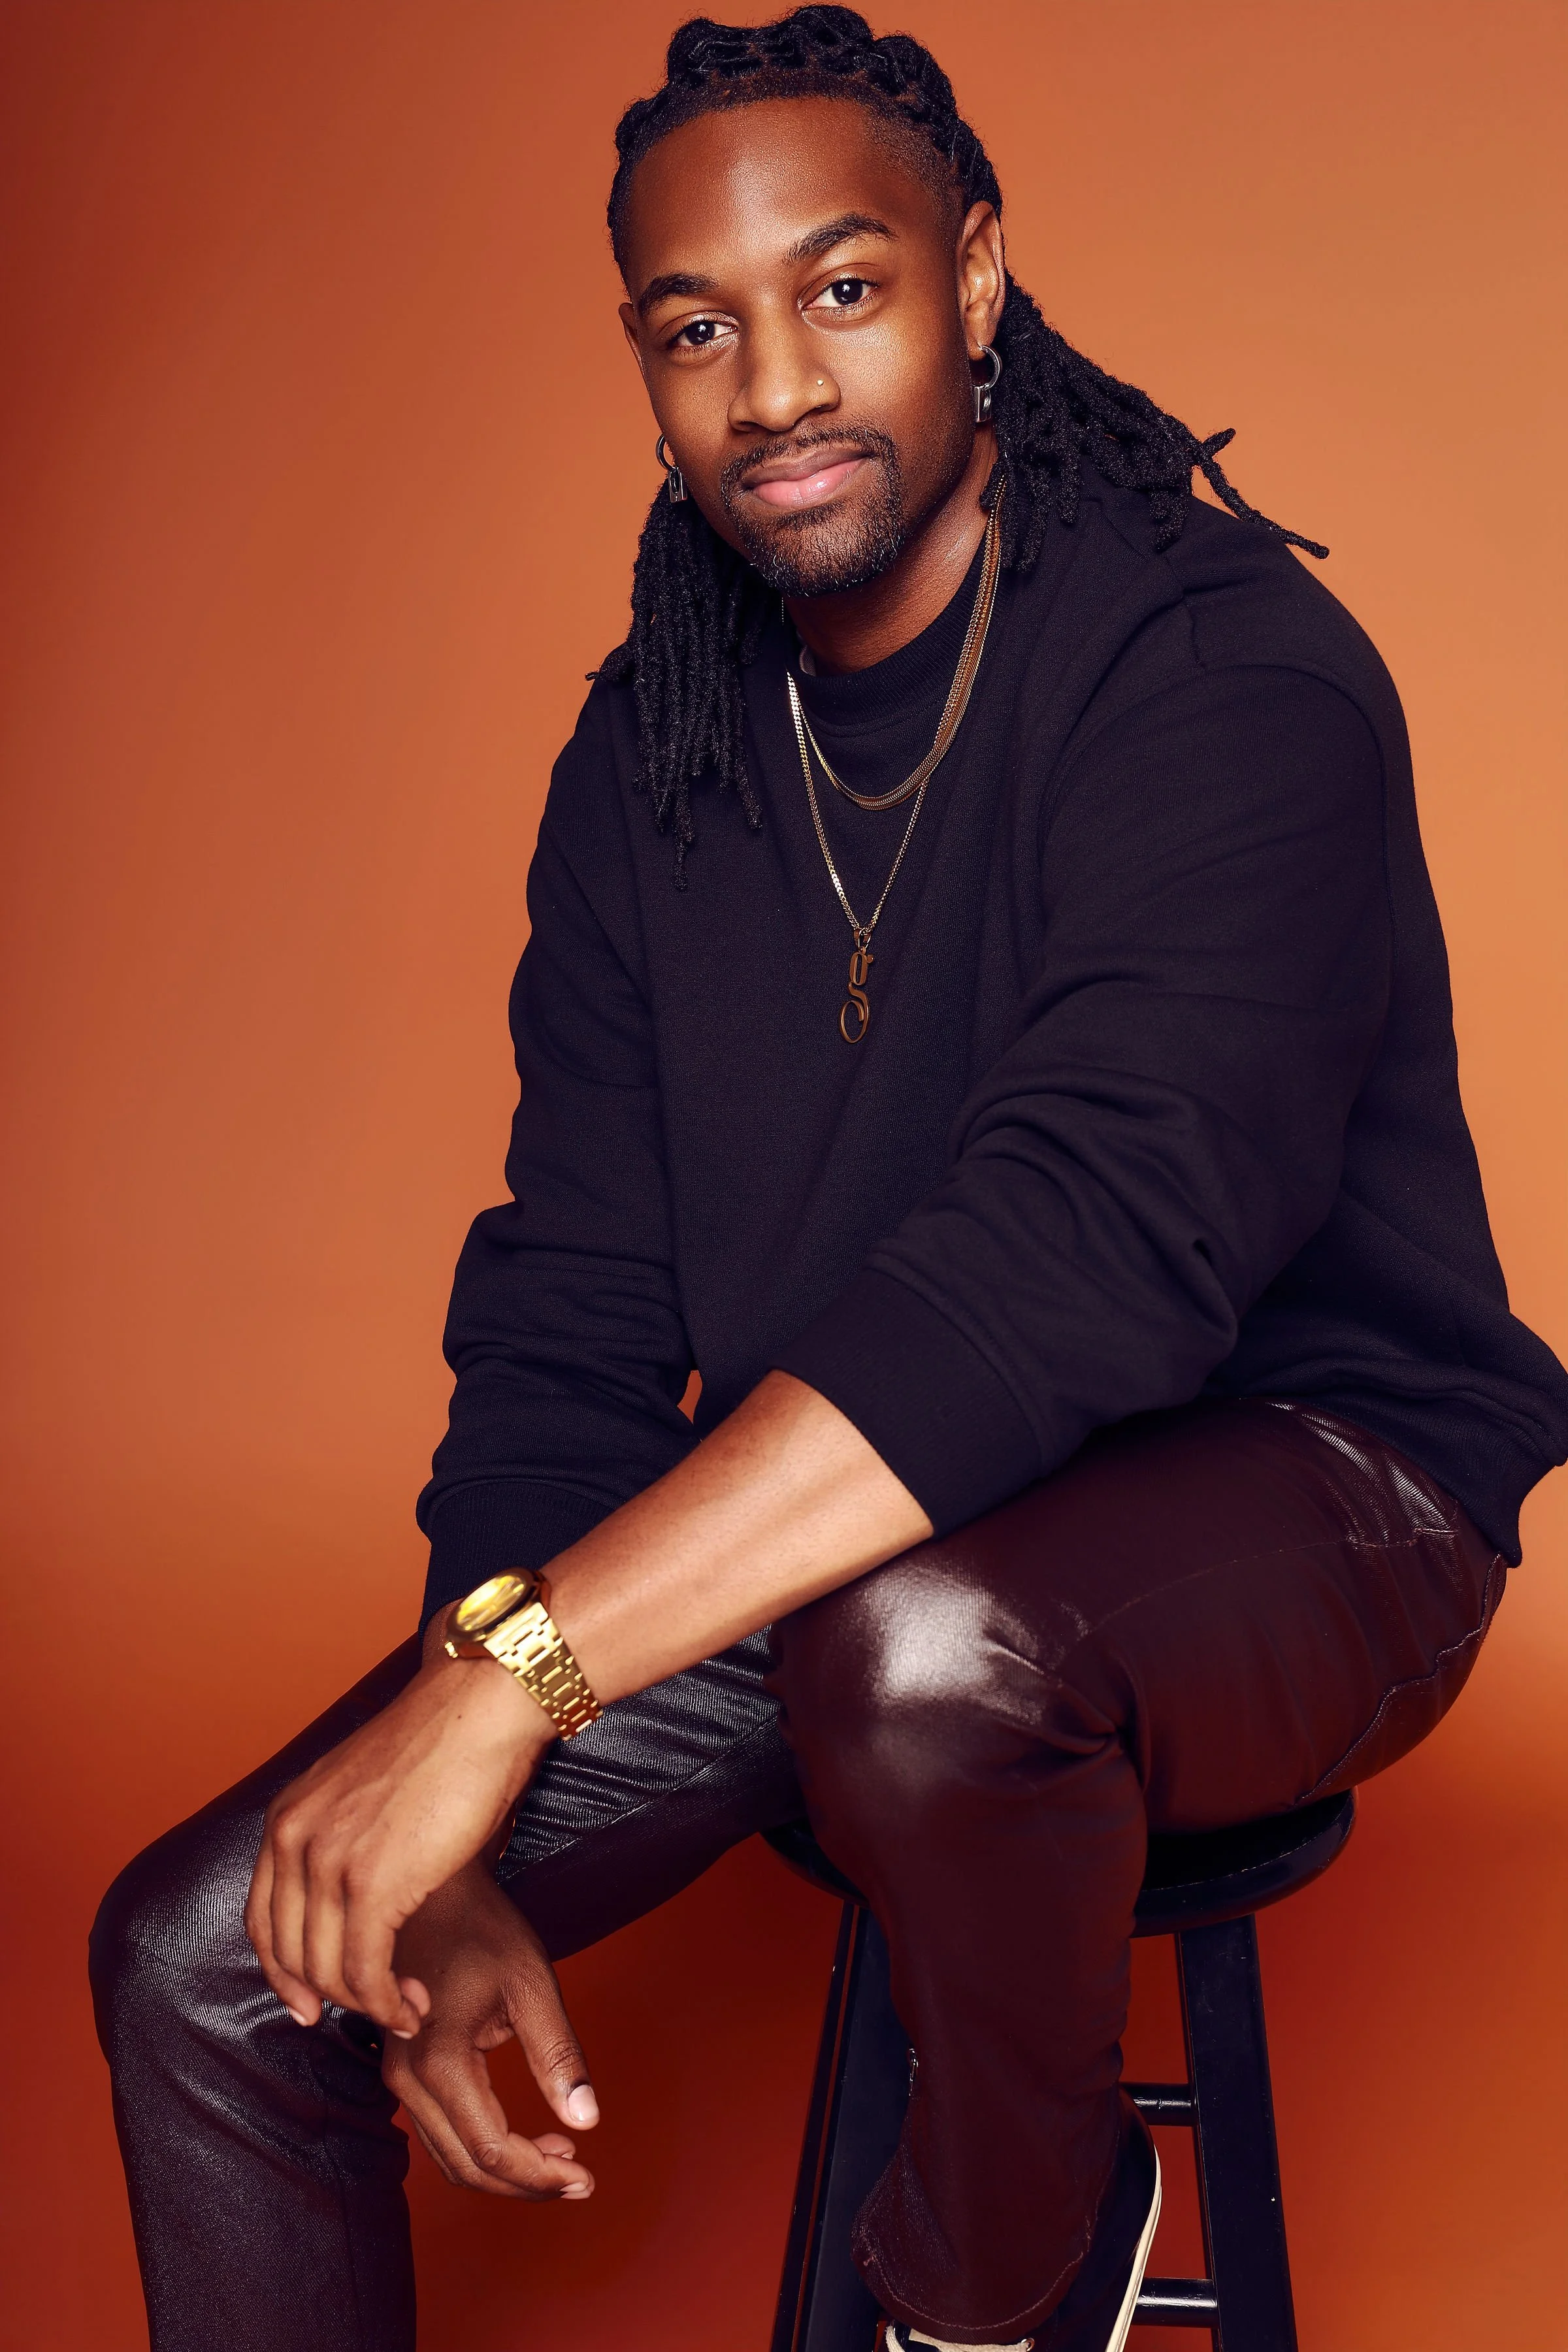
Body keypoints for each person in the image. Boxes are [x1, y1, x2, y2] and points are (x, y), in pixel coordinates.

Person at [90, 12, 1568, 2352]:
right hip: (849, 1516)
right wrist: (480, 1735)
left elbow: (1100, 1245)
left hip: (1312, 1495)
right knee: (211, 1953)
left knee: (936, 1654)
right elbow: (570, 1300)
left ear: (978, 278)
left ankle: (998, 2285)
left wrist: (516, 1688)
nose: (772, 382)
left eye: (845, 288)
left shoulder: (1224, 669)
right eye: (698, 327)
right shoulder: (652, 753)